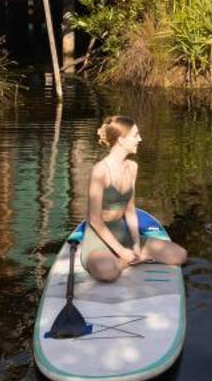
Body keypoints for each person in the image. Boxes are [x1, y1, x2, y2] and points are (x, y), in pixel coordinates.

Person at [79, 116, 188, 282]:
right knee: (107, 272)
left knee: (180, 255)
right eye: (135, 135)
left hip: (122, 234)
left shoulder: (132, 167)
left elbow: (130, 211)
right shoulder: (100, 171)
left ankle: (134, 257)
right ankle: (124, 262)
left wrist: (136, 243)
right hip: (99, 238)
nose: (140, 139)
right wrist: (122, 253)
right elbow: (94, 220)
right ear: (121, 140)